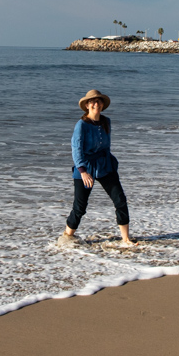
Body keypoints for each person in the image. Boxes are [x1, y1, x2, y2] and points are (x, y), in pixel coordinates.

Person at [62, 89, 136, 247]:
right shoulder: (81, 125)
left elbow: (106, 146)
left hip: (105, 165)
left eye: (99, 101)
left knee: (120, 200)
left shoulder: (106, 121)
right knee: (80, 207)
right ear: (87, 105)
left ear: (102, 104)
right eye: (93, 102)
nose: (96, 104)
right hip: (86, 167)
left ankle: (126, 239)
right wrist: (82, 171)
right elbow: (76, 149)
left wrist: (111, 164)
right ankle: (66, 237)